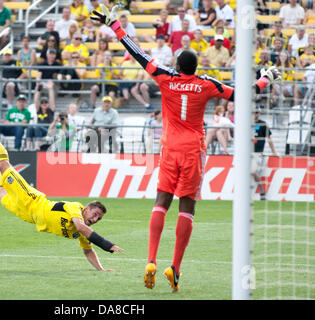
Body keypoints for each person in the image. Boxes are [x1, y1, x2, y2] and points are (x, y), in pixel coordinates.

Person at [90, 4, 280, 291]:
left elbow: (137, 53)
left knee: (161, 202)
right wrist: (267, 78)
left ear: (177, 66)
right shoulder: (206, 84)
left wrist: (114, 24)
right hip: (193, 150)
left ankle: (151, 259)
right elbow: (244, 94)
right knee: (187, 207)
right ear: (196, 68)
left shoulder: (165, 77)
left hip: (169, 149)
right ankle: (175, 267)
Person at [0, 119, 123, 270]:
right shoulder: (75, 209)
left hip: (28, 215)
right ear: (86, 208)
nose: (95, 220)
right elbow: (81, 226)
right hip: (32, 200)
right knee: (4, 164)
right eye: (94, 214)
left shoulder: (82, 232)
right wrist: (107, 245)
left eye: (98, 219)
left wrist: (101, 269)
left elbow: (88, 251)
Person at [252, 106, 278, 200]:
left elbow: (269, 139)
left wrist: (274, 152)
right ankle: (261, 191)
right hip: (246, 153)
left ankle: (262, 190)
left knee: (252, 171)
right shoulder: (246, 123)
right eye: (253, 112)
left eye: (257, 112)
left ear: (259, 113)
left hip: (257, 153)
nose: (255, 114)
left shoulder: (263, 124)